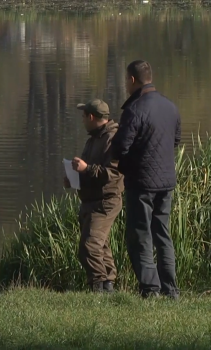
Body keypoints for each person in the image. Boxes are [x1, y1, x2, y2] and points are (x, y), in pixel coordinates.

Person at [111, 60, 181, 299]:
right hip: (166, 182)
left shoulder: (135, 109)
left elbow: (120, 147)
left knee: (140, 235)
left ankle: (150, 290)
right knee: (163, 234)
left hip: (141, 183)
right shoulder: (170, 107)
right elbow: (176, 140)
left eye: (126, 81)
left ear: (132, 80)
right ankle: (170, 290)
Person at [64, 99, 125, 293]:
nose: (82, 120)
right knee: (101, 246)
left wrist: (86, 168)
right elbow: (90, 171)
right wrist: (74, 178)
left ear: (91, 117)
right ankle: (108, 288)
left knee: (89, 246)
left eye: (83, 116)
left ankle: (98, 288)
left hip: (105, 201)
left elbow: (113, 174)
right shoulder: (94, 139)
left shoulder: (112, 138)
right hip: (90, 200)